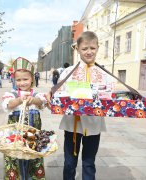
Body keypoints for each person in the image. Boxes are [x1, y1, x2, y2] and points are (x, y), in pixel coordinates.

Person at [54, 31, 115, 180]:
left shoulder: (104, 74)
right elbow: (58, 95)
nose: (89, 52)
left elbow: (109, 97)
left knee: (89, 163)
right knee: (69, 163)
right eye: (85, 49)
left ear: (98, 48)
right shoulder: (68, 73)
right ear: (77, 49)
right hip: (71, 125)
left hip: (94, 125)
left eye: (92, 48)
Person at [1, 57, 48, 180]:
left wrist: (33, 100)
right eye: (18, 80)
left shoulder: (36, 94)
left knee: (33, 156)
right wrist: (19, 100)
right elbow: (8, 105)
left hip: (32, 134)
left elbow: (42, 103)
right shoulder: (12, 94)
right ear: (14, 80)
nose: (22, 83)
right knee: (13, 158)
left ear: (32, 78)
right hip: (14, 136)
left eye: (25, 79)